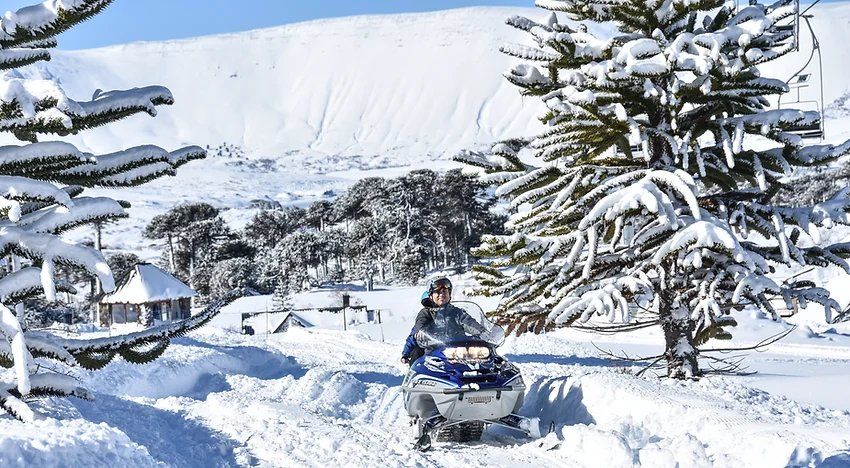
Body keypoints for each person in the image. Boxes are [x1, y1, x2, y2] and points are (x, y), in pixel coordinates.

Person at [400, 277, 485, 365]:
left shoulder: (457, 313)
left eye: (445, 291)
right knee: (417, 355)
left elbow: (470, 324)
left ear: (449, 294)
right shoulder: (426, 313)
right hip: (434, 356)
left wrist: (484, 333)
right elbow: (417, 331)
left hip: (459, 354)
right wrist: (406, 352)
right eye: (437, 292)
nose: (441, 294)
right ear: (431, 295)